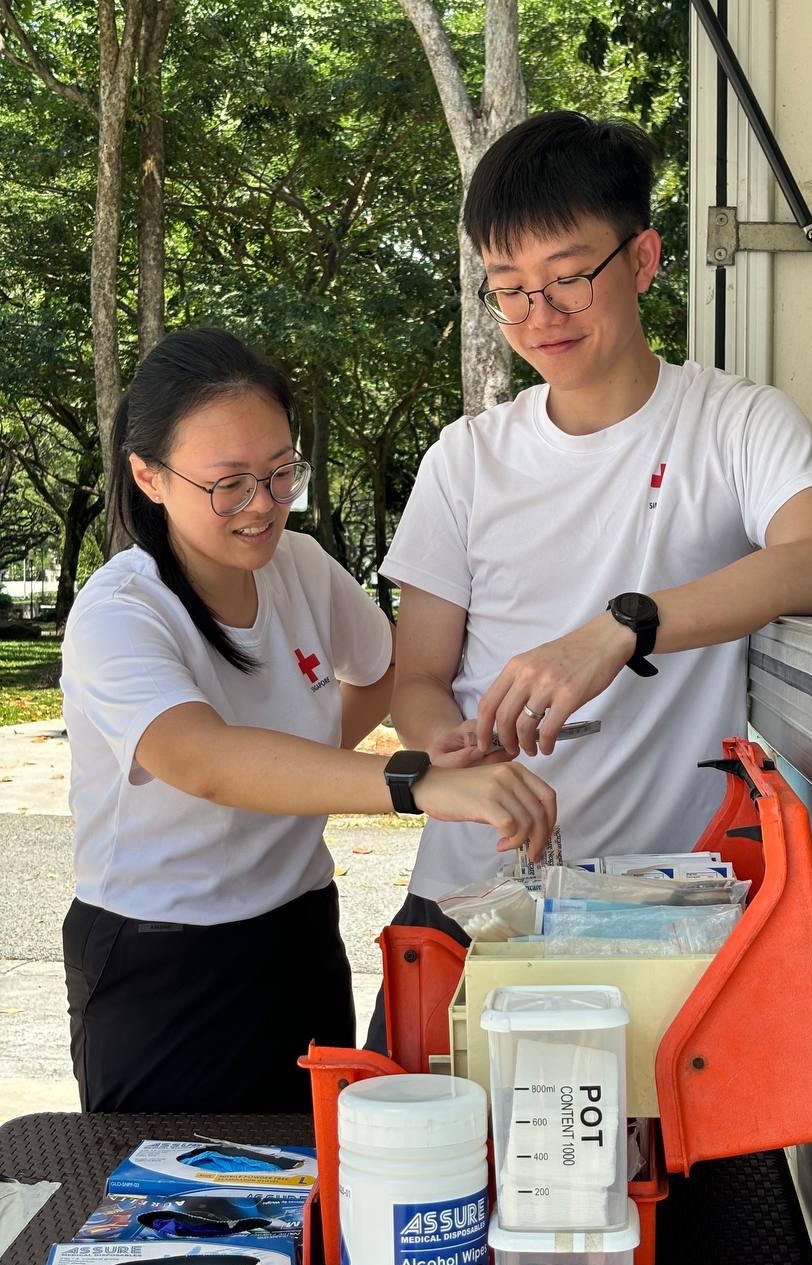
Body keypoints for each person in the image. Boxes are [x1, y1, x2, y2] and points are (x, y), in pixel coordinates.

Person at [366, 110, 812, 1048]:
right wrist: (474, 761)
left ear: (641, 260)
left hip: (659, 920)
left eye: (566, 280)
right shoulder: (467, 458)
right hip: (467, 909)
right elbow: (419, 682)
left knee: (647, 1191)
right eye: (508, 290)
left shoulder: (735, 423)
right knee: (429, 1176)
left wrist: (624, 627)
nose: (537, 318)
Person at [60, 327, 555, 1113]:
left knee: (316, 1180)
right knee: (171, 1207)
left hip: (296, 932)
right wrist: (413, 782)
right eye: (229, 484)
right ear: (148, 476)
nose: (263, 505)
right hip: (160, 956)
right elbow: (205, 760)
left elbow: (384, 668)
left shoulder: (300, 565)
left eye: (280, 471)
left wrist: (306, 764)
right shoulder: (121, 612)